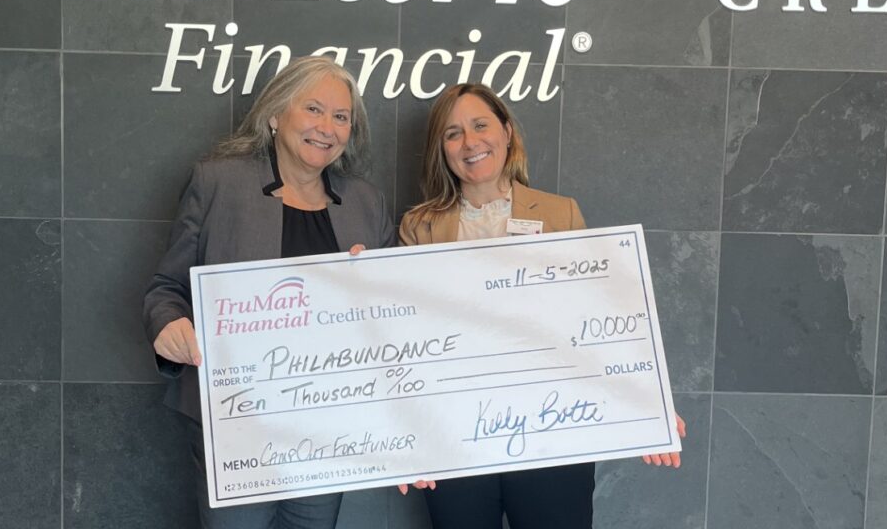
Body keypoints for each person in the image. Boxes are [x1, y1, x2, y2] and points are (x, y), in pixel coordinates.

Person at [397, 83, 685, 529]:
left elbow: (600, 319)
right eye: (453, 134)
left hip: (554, 427)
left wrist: (646, 403)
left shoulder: (560, 213)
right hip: (455, 436)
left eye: (480, 125)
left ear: (507, 132)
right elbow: (401, 336)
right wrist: (401, 438)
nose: (470, 142)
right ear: (442, 149)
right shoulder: (419, 226)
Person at [143, 56, 396, 529]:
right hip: (239, 420)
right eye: (314, 109)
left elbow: (394, 319)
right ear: (277, 115)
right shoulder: (220, 182)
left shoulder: (366, 202)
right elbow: (166, 288)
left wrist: (373, 291)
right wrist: (168, 324)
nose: (327, 128)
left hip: (327, 428)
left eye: (341, 117)